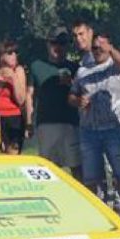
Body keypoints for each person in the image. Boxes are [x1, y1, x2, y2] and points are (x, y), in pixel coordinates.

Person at [69, 32, 120, 224]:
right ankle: (98, 213)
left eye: (100, 47)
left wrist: (111, 49)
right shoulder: (82, 71)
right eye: (94, 48)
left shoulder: (115, 68)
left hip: (113, 128)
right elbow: (71, 96)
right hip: (89, 129)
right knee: (92, 175)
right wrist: (78, 100)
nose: (97, 51)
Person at [27, 28, 81, 175]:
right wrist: (29, 122)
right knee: (48, 168)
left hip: (70, 123)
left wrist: (71, 83)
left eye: (62, 43)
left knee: (76, 165)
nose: (58, 47)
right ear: (47, 44)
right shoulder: (37, 66)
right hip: (46, 123)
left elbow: (83, 95)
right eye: (54, 43)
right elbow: (30, 94)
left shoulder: (75, 67)